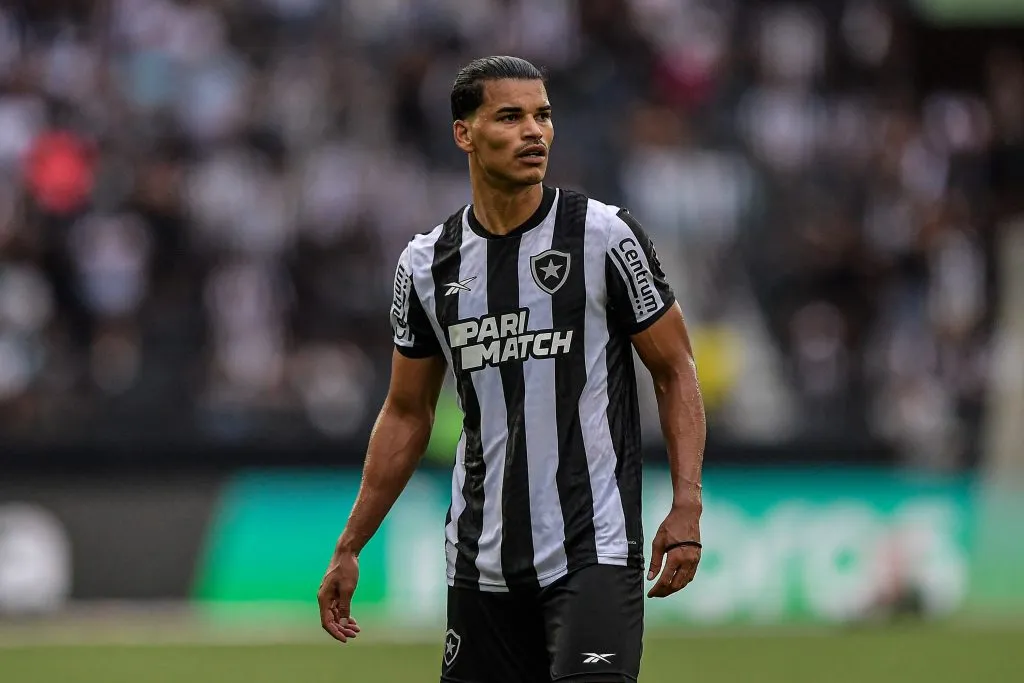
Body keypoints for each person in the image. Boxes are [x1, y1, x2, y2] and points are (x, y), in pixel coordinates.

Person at [318, 55, 706, 683]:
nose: (535, 131)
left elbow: (675, 368)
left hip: (594, 549)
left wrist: (686, 502)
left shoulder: (604, 236)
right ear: (463, 134)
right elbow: (406, 411)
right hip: (480, 562)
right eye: (511, 116)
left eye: (543, 115)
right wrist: (350, 544)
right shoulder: (425, 265)